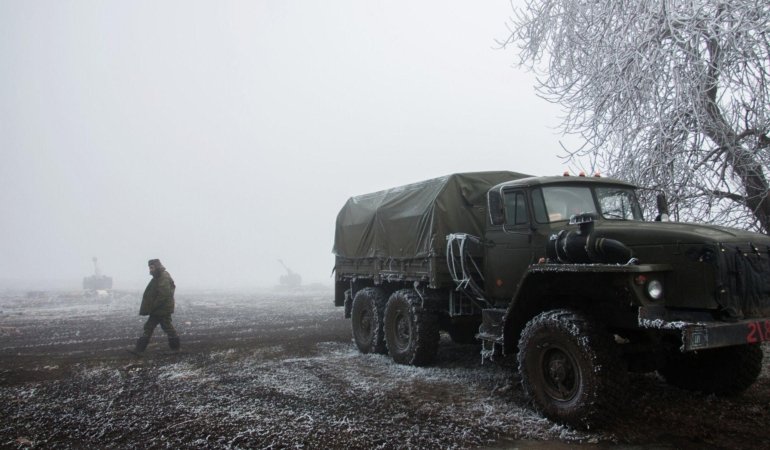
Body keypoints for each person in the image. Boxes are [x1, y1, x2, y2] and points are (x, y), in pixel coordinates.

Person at [133, 259, 180, 353]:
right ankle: (139, 350)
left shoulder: (163, 277)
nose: (150, 270)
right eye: (149, 268)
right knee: (150, 327)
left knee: (166, 326)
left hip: (162, 308)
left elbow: (164, 294)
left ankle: (175, 348)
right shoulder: (158, 277)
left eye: (152, 267)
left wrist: (153, 306)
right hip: (158, 309)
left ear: (157, 267)